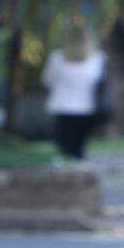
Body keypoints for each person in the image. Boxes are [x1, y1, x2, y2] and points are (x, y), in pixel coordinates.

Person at [42, 25, 107, 159]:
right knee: (78, 145)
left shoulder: (56, 59)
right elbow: (100, 83)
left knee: (64, 145)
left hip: (62, 106)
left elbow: (47, 81)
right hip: (86, 107)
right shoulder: (97, 59)